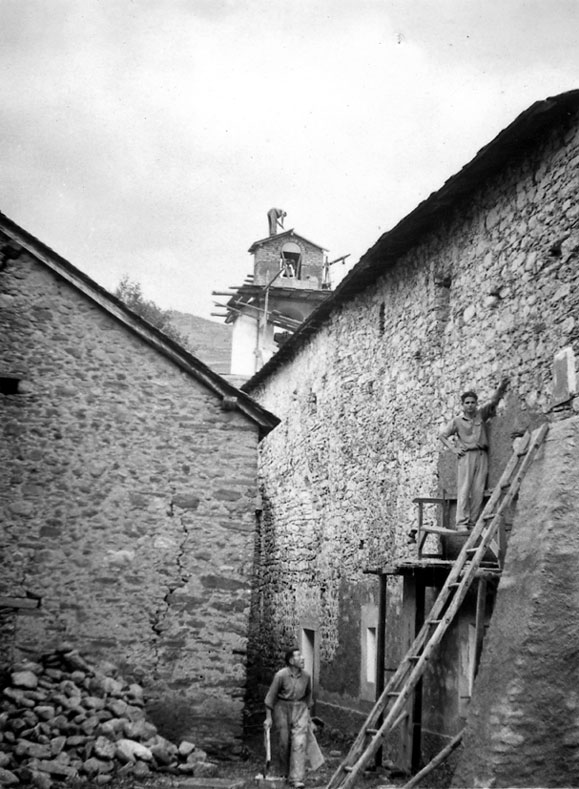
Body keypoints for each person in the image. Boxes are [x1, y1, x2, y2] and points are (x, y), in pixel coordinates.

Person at [439, 379, 509, 530]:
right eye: (467, 402)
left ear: (476, 404)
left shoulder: (480, 416)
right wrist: (454, 449)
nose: (470, 405)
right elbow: (442, 435)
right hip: (466, 456)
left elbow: (493, 403)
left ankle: (472, 522)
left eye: (473, 402)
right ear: (463, 405)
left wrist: (501, 388)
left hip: (482, 455)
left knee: (478, 490)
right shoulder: (457, 421)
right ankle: (461, 523)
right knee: (464, 489)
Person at [264, 648, 312, 788]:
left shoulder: (307, 677)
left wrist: (308, 716)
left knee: (299, 742)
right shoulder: (280, 675)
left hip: (300, 709)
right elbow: (270, 697)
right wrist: (268, 718)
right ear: (291, 661)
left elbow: (308, 697)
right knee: (284, 742)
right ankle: (283, 773)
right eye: (298, 656)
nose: (302, 658)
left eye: (302, 655)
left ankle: (296, 778)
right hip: (282, 708)